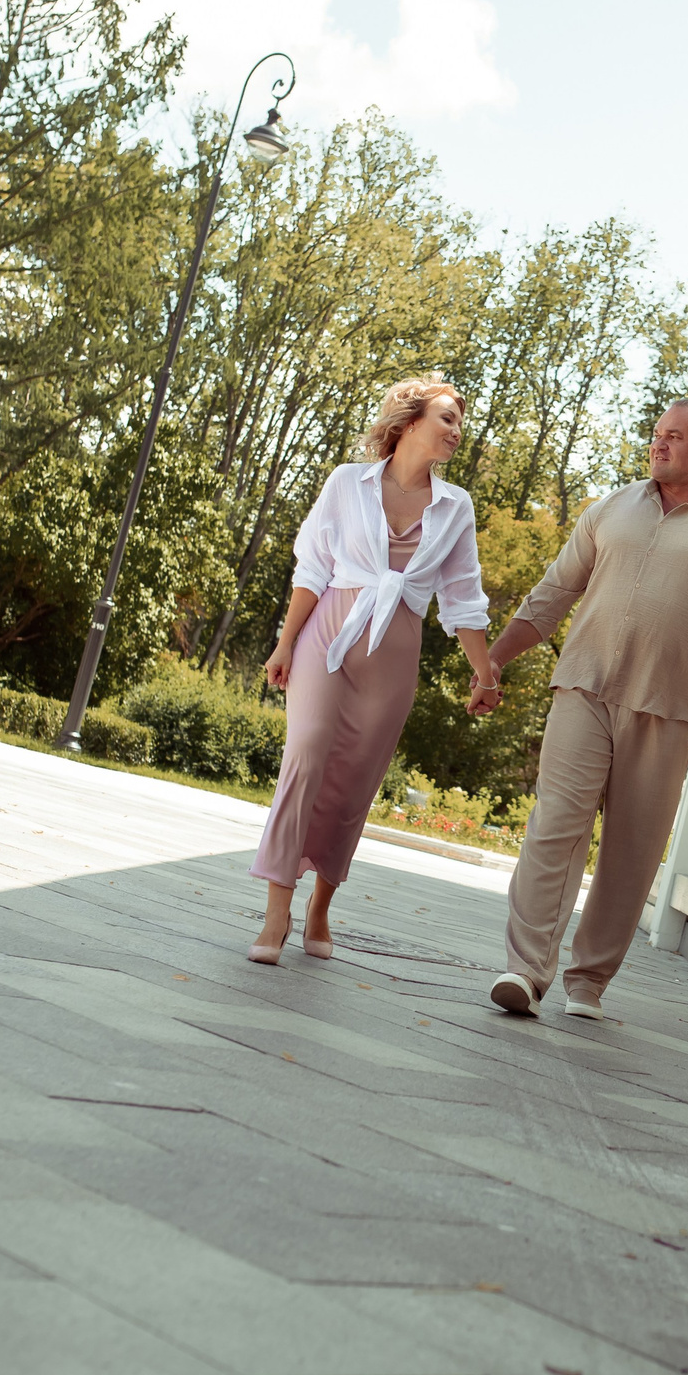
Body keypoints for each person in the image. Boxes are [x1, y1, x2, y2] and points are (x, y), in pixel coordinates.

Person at [469, 399, 688, 1019]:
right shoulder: (609, 509)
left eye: (675, 437)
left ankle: (589, 981)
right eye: (657, 435)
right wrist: (493, 661)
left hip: (670, 711)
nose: (659, 446)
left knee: (632, 851)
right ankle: (525, 971)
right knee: (555, 826)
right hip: (584, 688)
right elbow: (554, 591)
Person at [251, 375, 497, 963]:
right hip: (330, 633)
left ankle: (320, 908)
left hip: (394, 650)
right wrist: (285, 644)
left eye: (459, 422)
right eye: (446, 419)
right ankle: (277, 913)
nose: (456, 431)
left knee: (353, 783)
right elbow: (312, 567)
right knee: (306, 754)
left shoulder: (455, 506)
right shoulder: (346, 483)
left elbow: (462, 598)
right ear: (410, 422)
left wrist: (485, 673)